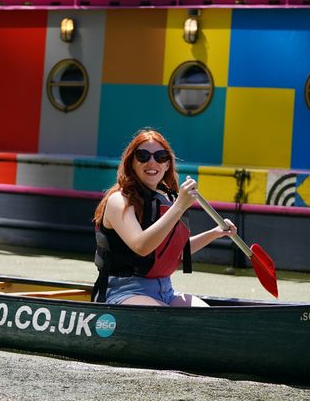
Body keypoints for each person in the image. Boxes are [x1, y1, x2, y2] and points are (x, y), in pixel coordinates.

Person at [91, 129, 236, 306]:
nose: (152, 162)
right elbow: (142, 246)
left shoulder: (166, 200)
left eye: (160, 156)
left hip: (165, 290)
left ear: (167, 164)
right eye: (143, 156)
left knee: (206, 317)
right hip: (123, 291)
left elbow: (175, 252)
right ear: (131, 163)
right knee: (165, 320)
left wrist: (215, 233)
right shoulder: (119, 201)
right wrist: (179, 206)